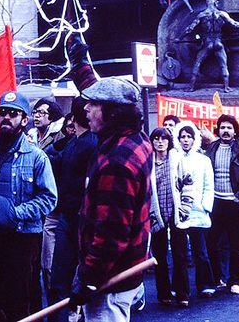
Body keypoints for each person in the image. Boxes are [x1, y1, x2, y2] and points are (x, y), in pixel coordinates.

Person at [67, 37, 152, 321]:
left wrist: (89, 278)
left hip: (111, 278)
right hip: (122, 268)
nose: (85, 110)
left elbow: (111, 233)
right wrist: (79, 63)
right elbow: (101, 89)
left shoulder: (118, 162)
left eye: (93, 105)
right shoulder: (132, 135)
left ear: (113, 113)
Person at [0, 91, 57, 322]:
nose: (6, 117)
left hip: (21, 238)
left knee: (18, 301)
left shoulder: (37, 157)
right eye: (2, 113)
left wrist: (15, 214)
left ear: (24, 120)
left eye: (13, 114)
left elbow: (49, 198)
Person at [48, 97, 98, 321]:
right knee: (65, 276)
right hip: (70, 216)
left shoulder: (90, 143)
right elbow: (55, 157)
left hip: (80, 217)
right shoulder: (74, 142)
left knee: (68, 277)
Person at [204, 115, 239, 295]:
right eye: (222, 127)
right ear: (217, 130)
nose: (225, 131)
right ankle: (218, 277)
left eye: (229, 127)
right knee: (211, 242)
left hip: (235, 203)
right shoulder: (211, 148)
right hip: (215, 203)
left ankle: (235, 280)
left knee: (236, 245)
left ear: (235, 130)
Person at [28, 98, 67, 305]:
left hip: (56, 205)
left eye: (41, 112)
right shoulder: (30, 136)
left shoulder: (59, 135)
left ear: (52, 115)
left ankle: (57, 306)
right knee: (40, 261)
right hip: (35, 205)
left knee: (52, 261)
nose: (36, 116)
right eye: (35, 112)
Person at [172, 121, 215, 300]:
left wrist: (206, 206)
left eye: (189, 136)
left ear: (195, 138)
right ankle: (180, 288)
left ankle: (205, 284)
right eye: (182, 137)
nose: (186, 140)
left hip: (198, 210)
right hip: (179, 211)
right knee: (180, 253)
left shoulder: (203, 159)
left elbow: (208, 185)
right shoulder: (173, 158)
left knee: (201, 251)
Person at [148, 127, 185, 307]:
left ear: (169, 141)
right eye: (156, 138)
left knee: (179, 254)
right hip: (156, 213)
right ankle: (164, 293)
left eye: (163, 139)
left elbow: (188, 184)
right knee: (160, 256)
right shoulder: (148, 163)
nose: (160, 142)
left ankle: (182, 293)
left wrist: (185, 209)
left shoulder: (177, 159)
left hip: (176, 211)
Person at [183, 0, 239, 91]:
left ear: (207, 4)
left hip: (207, 43)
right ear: (216, 3)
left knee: (197, 64)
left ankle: (191, 87)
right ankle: (226, 87)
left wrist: (179, 37)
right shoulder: (222, 14)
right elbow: (235, 24)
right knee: (223, 66)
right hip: (218, 43)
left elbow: (190, 29)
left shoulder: (202, 15)